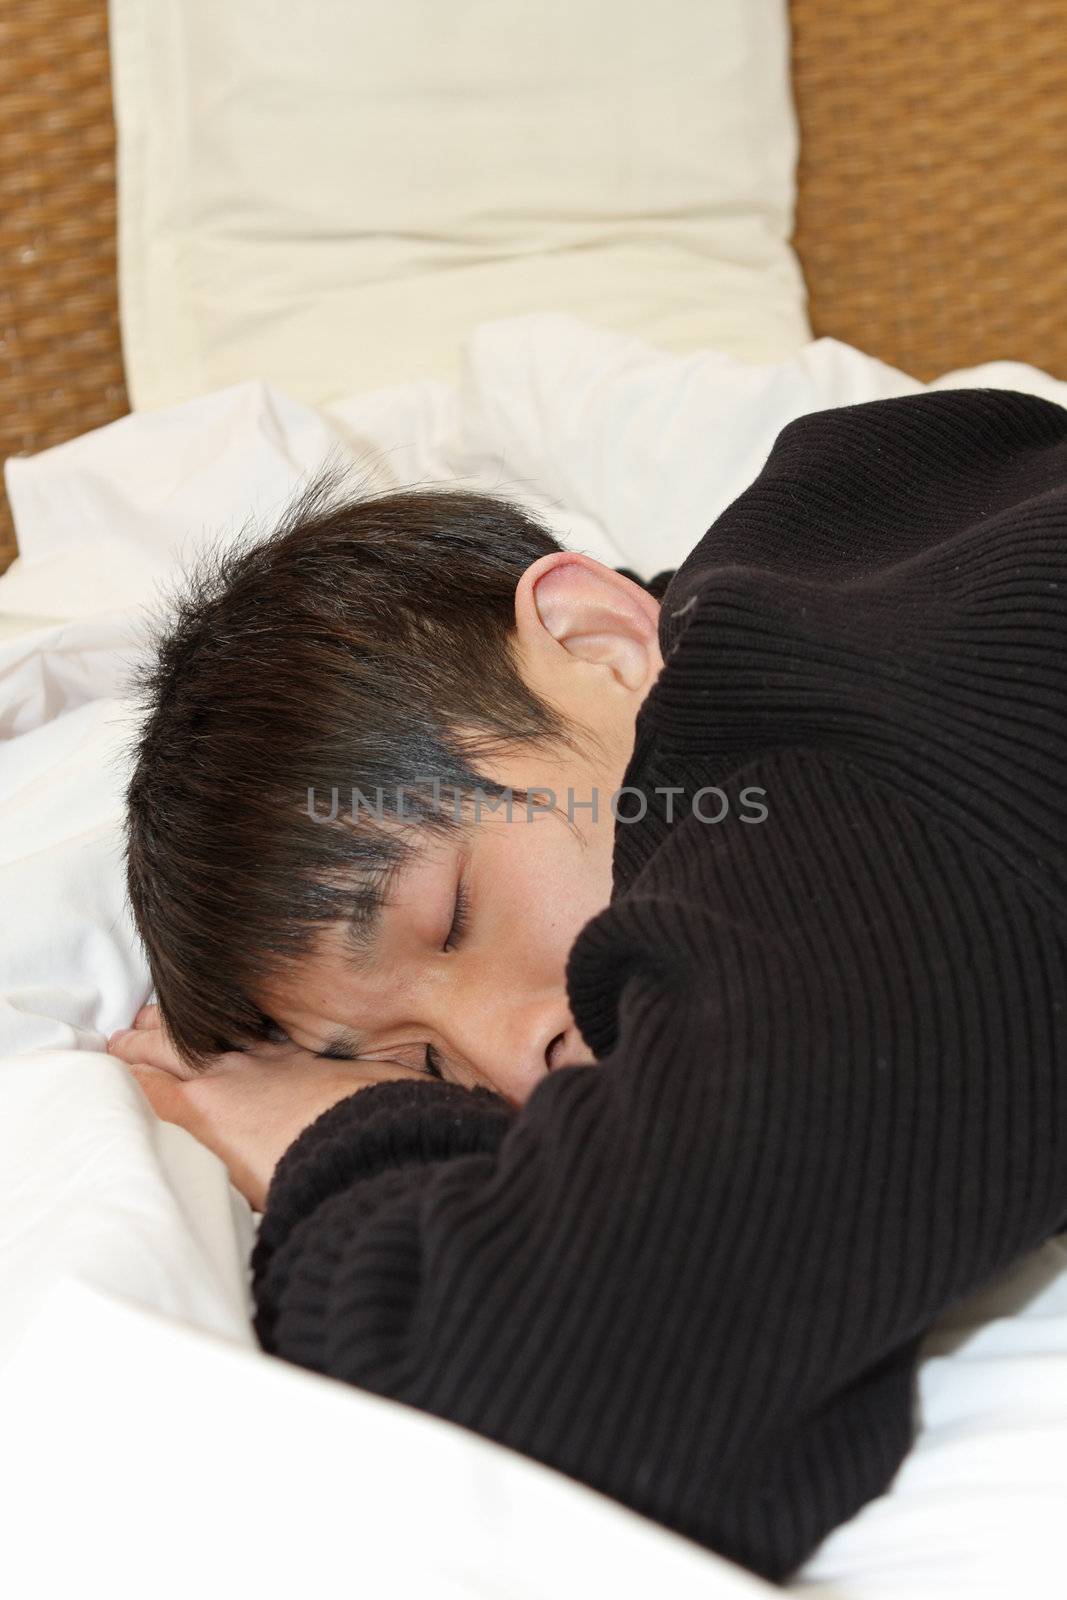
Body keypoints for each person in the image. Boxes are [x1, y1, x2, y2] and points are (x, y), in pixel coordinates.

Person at [107, 387, 1067, 1584]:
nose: (516, 1059)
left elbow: (526, 1394)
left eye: (450, 913)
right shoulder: (878, 519)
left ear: (598, 637)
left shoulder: (827, 794)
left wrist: (333, 1129)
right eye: (433, 1071)